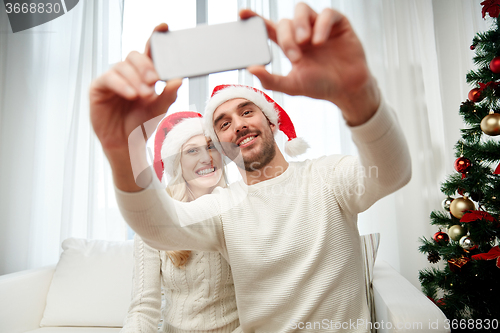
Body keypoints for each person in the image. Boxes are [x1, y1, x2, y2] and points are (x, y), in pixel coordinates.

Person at [90, 3, 411, 332]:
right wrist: (121, 148)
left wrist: (359, 96)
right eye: (223, 123)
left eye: (247, 112)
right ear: (221, 145)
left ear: (272, 123)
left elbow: (391, 173)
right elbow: (159, 227)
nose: (238, 126)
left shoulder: (326, 177)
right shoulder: (223, 207)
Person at [121, 112, 240, 333]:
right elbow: (143, 309)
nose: (207, 158)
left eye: (211, 146)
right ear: (177, 164)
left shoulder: (240, 209)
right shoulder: (156, 220)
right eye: (192, 150)